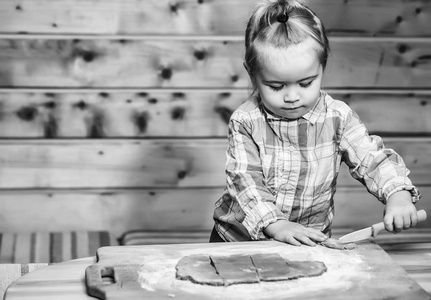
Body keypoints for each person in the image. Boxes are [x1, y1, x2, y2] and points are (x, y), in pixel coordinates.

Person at [210, 0, 421, 246]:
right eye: (275, 86)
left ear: (322, 67)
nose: (291, 97)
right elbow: (245, 181)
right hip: (239, 241)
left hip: (305, 242)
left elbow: (372, 159)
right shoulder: (246, 121)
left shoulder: (337, 117)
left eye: (306, 83)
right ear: (252, 73)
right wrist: (278, 225)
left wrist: (398, 194)